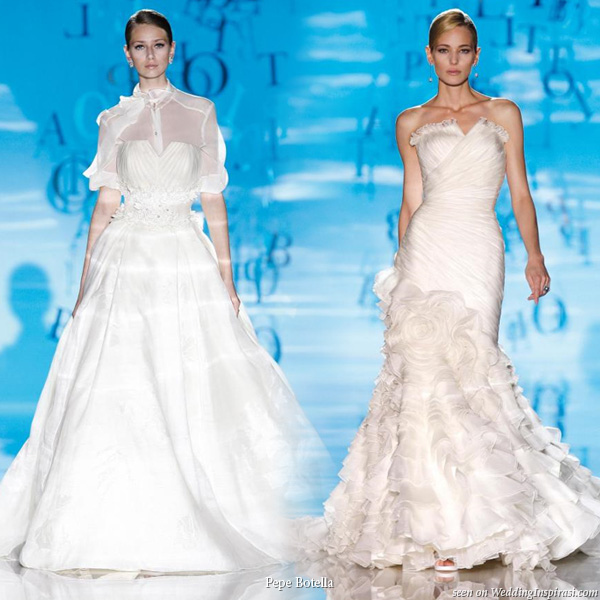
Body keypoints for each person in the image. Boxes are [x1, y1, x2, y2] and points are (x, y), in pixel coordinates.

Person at [0, 8, 325, 573]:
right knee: (118, 383)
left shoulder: (201, 113)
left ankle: (199, 507)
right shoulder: (110, 120)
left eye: (159, 45)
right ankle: (103, 521)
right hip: (127, 260)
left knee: (185, 380)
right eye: (140, 47)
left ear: (173, 51)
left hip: (181, 257)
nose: (150, 55)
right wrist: (86, 284)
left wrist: (228, 276)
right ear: (127, 54)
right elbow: (104, 206)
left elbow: (215, 202)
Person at [294, 8, 600, 573]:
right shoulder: (411, 121)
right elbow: (412, 199)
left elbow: (521, 192)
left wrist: (535, 254)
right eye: (444, 51)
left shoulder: (503, 112)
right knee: (423, 374)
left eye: (463, 50)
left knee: (473, 368)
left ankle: (489, 515)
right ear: (430, 55)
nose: (454, 60)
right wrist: (401, 265)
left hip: (479, 247)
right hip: (428, 248)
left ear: (476, 54)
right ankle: (434, 524)